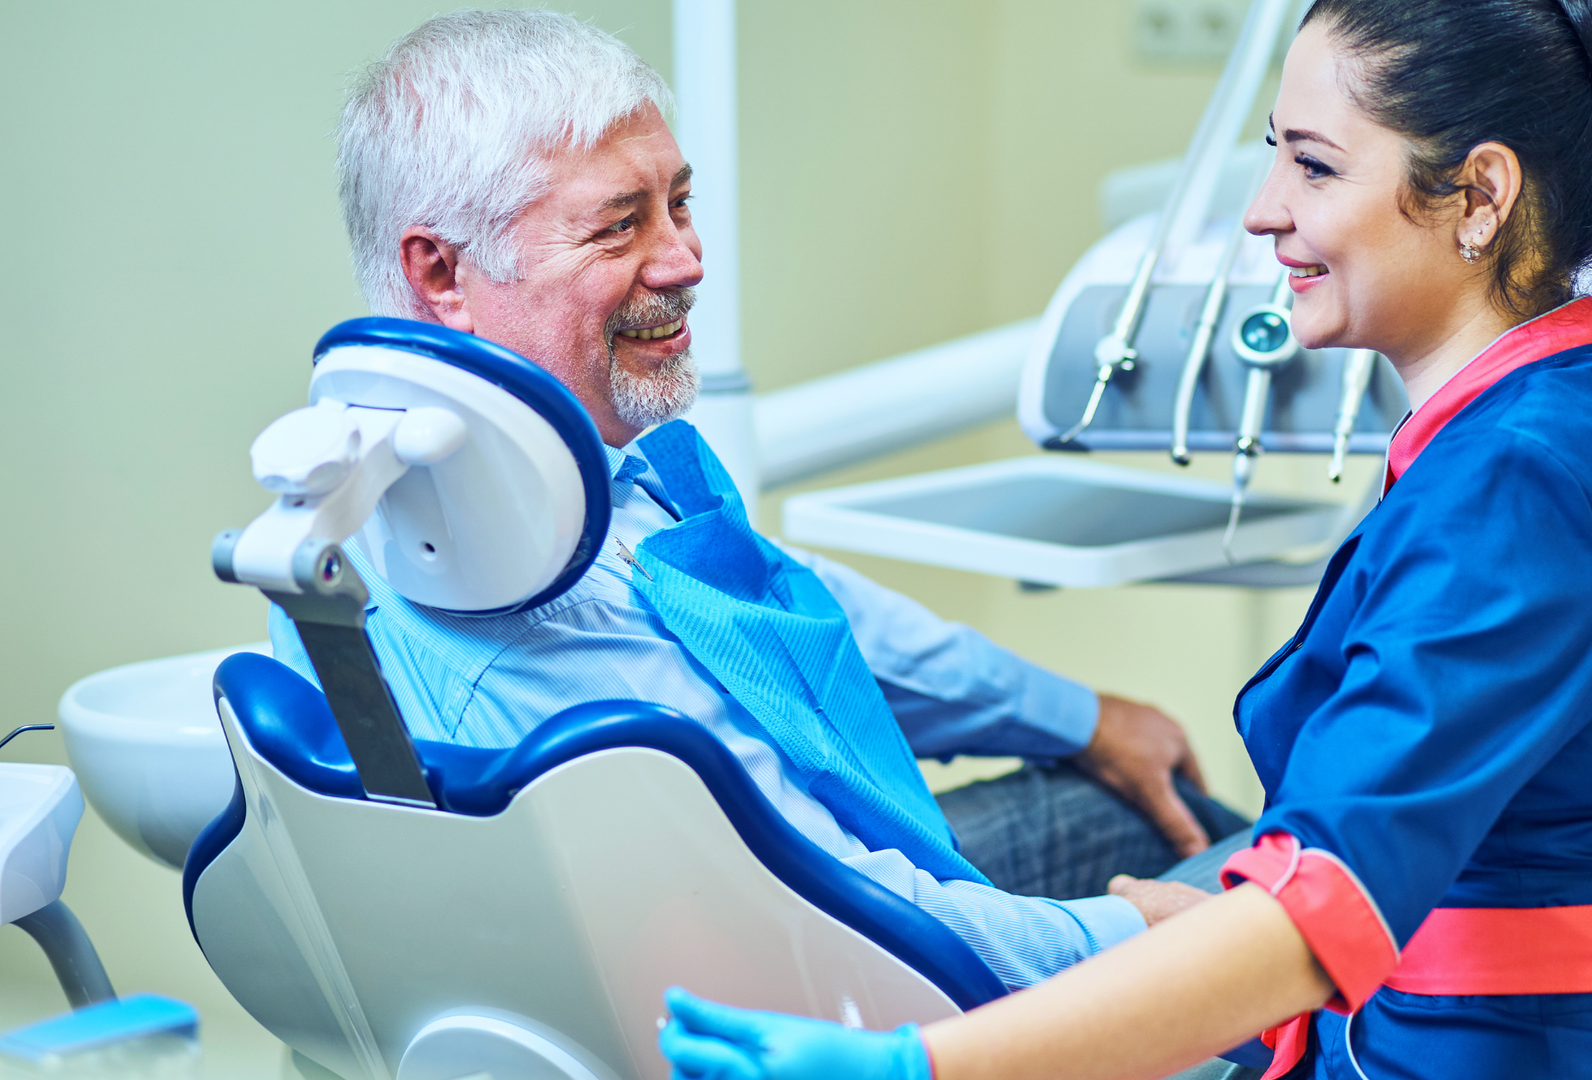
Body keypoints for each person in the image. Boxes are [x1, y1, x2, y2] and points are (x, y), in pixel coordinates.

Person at [656, 0, 1592, 1078]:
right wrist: (1208, 934)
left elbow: (1323, 914)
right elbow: (1478, 870)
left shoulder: (1526, 477)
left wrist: (923, 1067)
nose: (1263, 210)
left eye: (1315, 167)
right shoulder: (1528, 425)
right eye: (1272, 156)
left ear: (1479, 195)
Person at [272, 9, 1248, 993]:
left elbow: (789, 617)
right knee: (1298, 905)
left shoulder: (539, 491)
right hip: (847, 991)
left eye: (678, 205)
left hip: (801, 932)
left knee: (1146, 802)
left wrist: (1078, 718)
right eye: (620, 225)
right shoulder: (525, 610)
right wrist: (1132, 940)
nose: (685, 261)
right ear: (441, 272)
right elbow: (843, 932)